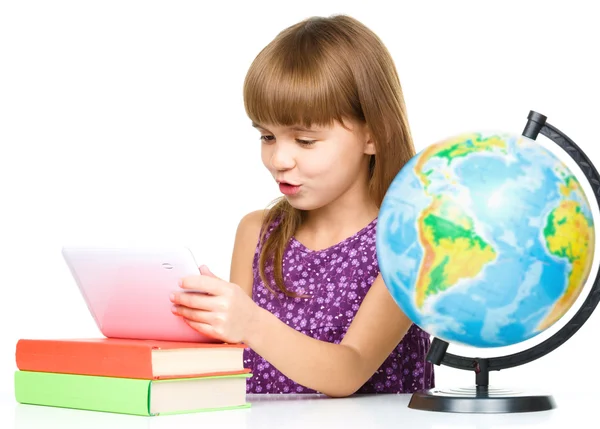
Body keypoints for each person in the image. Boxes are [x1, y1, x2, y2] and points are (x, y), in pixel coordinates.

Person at [170, 14, 434, 397]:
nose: (279, 159)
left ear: (373, 136)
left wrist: (249, 323)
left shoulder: (408, 241)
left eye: (305, 141)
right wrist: (203, 321)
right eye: (267, 136)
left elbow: (350, 369)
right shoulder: (257, 232)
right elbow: (232, 363)